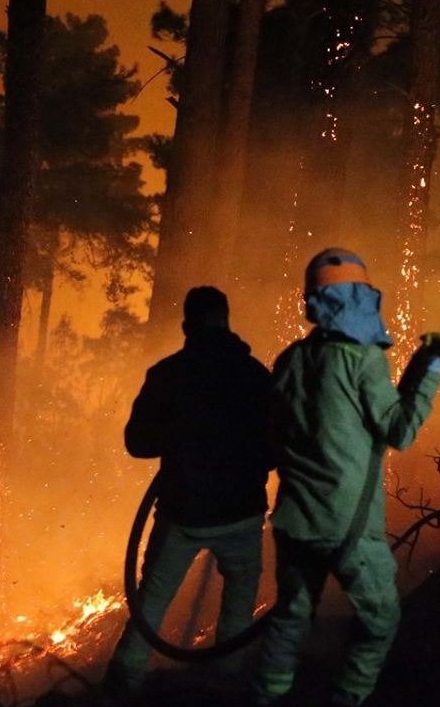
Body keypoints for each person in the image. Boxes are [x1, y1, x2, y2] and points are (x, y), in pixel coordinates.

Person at [254, 248, 440, 707]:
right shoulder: (363, 360)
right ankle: (348, 698)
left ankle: (267, 698)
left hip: (296, 522)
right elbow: (399, 429)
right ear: (361, 296)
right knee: (381, 619)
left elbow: (272, 436)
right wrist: (430, 367)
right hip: (349, 528)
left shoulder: (290, 360)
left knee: (291, 617)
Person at [103, 286, 277, 696]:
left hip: (184, 515)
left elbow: (138, 443)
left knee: (151, 606)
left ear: (186, 326)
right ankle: (224, 686)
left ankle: (118, 690)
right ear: (227, 321)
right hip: (242, 514)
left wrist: (180, 438)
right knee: (239, 605)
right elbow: (275, 447)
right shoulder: (255, 376)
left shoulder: (168, 374)